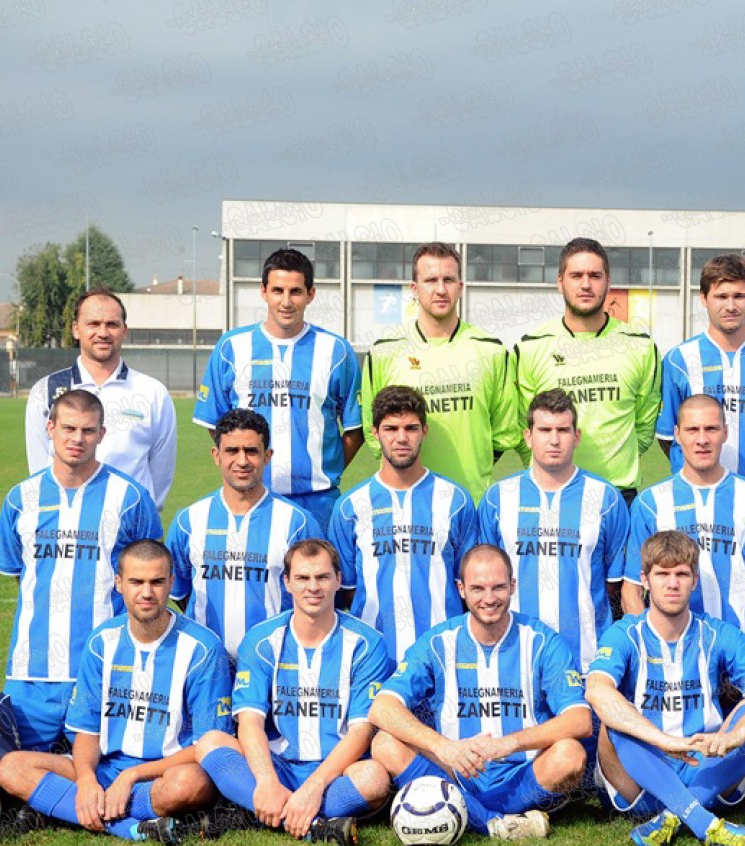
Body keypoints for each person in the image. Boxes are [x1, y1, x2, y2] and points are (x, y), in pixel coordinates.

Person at [0, 540, 232, 845]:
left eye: (157, 582)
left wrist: (131, 776)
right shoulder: (101, 642)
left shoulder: (202, 648)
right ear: (119, 583)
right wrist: (87, 779)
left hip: (166, 773)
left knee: (190, 784)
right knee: (11, 768)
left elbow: (206, 746)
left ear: (171, 582)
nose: (146, 593)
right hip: (106, 768)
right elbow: (87, 731)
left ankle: (63, 808)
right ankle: (130, 826)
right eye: (136, 582)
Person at [368, 544, 591, 841]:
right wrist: (444, 747)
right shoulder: (439, 640)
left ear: (512, 586)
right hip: (454, 772)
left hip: (520, 774)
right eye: (478, 589)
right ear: (461, 589)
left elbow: (580, 720)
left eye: (498, 587)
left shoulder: (541, 640)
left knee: (570, 754)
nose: (489, 599)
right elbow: (381, 708)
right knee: (384, 743)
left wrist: (508, 744)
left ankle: (477, 813)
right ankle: (494, 823)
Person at [586, 531, 745, 846]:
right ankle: (708, 825)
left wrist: (736, 736)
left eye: (681, 574)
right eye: (662, 574)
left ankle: (674, 816)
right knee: (614, 719)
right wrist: (663, 740)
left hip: (706, 767)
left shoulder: (717, 632)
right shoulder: (625, 633)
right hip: (641, 774)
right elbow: (596, 690)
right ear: (644, 580)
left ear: (694, 580)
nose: (672, 583)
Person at [195, 539, 393, 846]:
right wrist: (266, 781)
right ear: (287, 582)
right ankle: (309, 821)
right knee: (210, 743)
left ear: (338, 580)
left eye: (322, 577)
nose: (313, 587)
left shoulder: (367, 643)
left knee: (375, 779)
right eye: (302, 578)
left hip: (335, 771)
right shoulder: (261, 640)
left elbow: (361, 732)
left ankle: (259, 812)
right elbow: (250, 722)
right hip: (279, 766)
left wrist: (314, 786)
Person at [0, 389, 163, 753]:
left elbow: (149, 578)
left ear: (102, 434)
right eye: (68, 428)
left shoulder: (131, 499)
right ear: (50, 428)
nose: (77, 439)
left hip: (107, 666)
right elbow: (20, 575)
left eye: (88, 431)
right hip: (32, 672)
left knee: (106, 774)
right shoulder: (19, 499)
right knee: (15, 771)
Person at [194, 248, 362, 527]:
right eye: (277, 290)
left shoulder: (336, 351)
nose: (286, 301)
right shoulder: (231, 347)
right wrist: (243, 464)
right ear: (263, 291)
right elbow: (216, 423)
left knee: (318, 572)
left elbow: (356, 428)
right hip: (251, 497)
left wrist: (323, 469)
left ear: (311, 294)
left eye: (295, 291)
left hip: (319, 502)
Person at [624, 395, 745, 652]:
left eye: (711, 429)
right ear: (677, 434)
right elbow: (632, 589)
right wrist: (653, 652)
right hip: (673, 660)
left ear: (725, 432)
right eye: (692, 430)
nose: (702, 439)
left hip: (740, 656)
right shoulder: (651, 503)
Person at [478, 388, 629, 671]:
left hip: (586, 660)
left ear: (577, 436)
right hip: (514, 658)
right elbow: (486, 580)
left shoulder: (605, 499)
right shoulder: (498, 498)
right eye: (545, 429)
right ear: (528, 436)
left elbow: (613, 583)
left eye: (563, 429)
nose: (554, 440)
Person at [361, 242, 520, 500]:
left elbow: (503, 433)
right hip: (405, 501)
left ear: (460, 287)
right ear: (414, 289)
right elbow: (373, 431)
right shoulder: (383, 352)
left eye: (449, 280)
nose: (441, 290)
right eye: (431, 280)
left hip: (470, 501)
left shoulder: (491, 351)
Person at [331, 385, 478, 661]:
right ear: (375, 433)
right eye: (391, 428)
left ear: (424, 431)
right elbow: (347, 590)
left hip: (443, 653)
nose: (401, 438)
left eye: (410, 428)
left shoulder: (455, 501)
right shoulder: (351, 507)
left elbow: (467, 585)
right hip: (373, 658)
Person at [512, 237, 661, 501]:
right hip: (551, 490)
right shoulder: (531, 347)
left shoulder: (640, 345)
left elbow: (646, 422)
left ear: (608, 282)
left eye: (595, 275)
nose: (585, 284)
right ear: (560, 282)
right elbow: (523, 421)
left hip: (618, 493)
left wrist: (620, 460)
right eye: (576, 275)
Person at [165, 409, 318, 659]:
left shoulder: (296, 523)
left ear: (267, 456)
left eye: (252, 451)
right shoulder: (188, 522)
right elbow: (180, 591)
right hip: (204, 663)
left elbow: (313, 593)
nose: (242, 461)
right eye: (232, 451)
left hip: (274, 662)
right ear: (216, 455)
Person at [657, 254, 745, 496]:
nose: (731, 306)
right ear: (703, 298)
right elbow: (668, 436)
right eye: (721, 296)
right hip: (694, 496)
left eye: (739, 296)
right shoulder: (679, 359)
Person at [24, 287, 177, 509]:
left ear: (124, 331)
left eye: (112, 324)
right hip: (66, 526)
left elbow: (161, 471)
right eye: (93, 324)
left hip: (129, 528)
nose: (103, 333)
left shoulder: (153, 393)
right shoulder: (46, 390)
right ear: (76, 329)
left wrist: (143, 513)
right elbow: (39, 468)